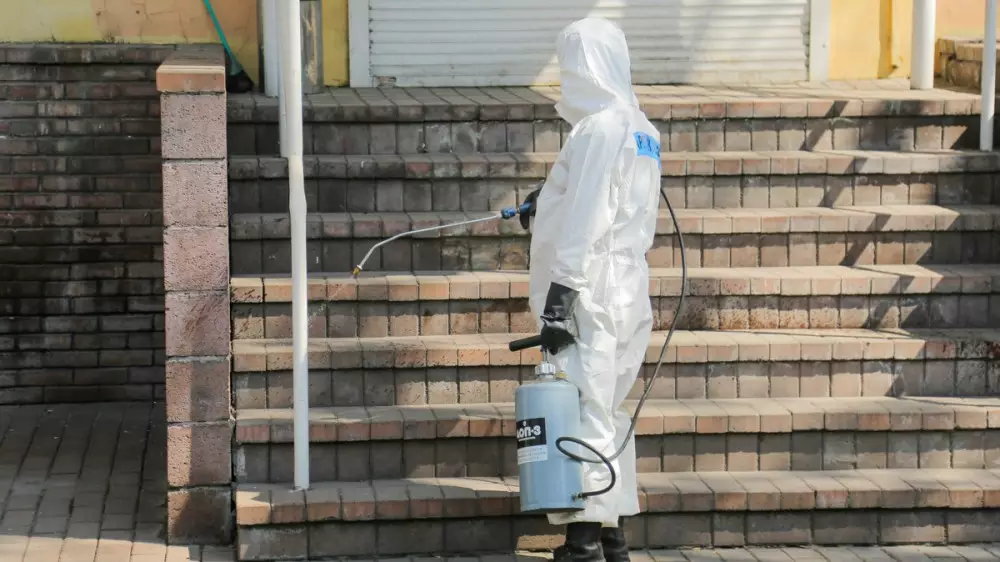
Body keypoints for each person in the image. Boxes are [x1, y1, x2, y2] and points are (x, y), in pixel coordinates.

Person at [518, 17, 661, 562]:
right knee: (609, 410)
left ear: (587, 65)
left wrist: (560, 303)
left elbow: (586, 220)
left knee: (582, 409)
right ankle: (613, 536)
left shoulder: (599, 129)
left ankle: (582, 543)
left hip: (591, 287)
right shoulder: (641, 128)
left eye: (569, 65)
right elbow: (609, 201)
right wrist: (546, 202)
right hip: (628, 284)